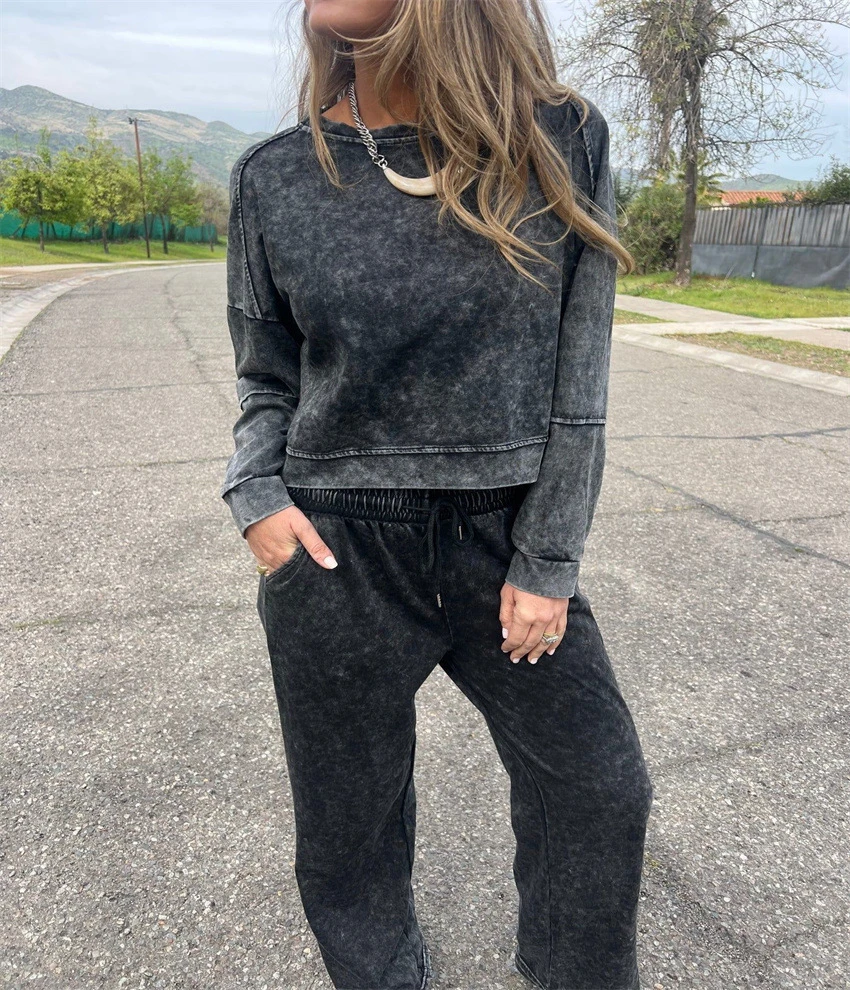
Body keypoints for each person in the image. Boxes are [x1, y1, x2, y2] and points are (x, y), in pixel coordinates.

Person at [220, 1, 655, 988]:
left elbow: (579, 379)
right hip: (335, 550)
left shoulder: (557, 140)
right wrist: (256, 495)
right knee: (349, 830)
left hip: (503, 539)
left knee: (598, 791)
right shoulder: (275, 174)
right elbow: (265, 375)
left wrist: (549, 557)